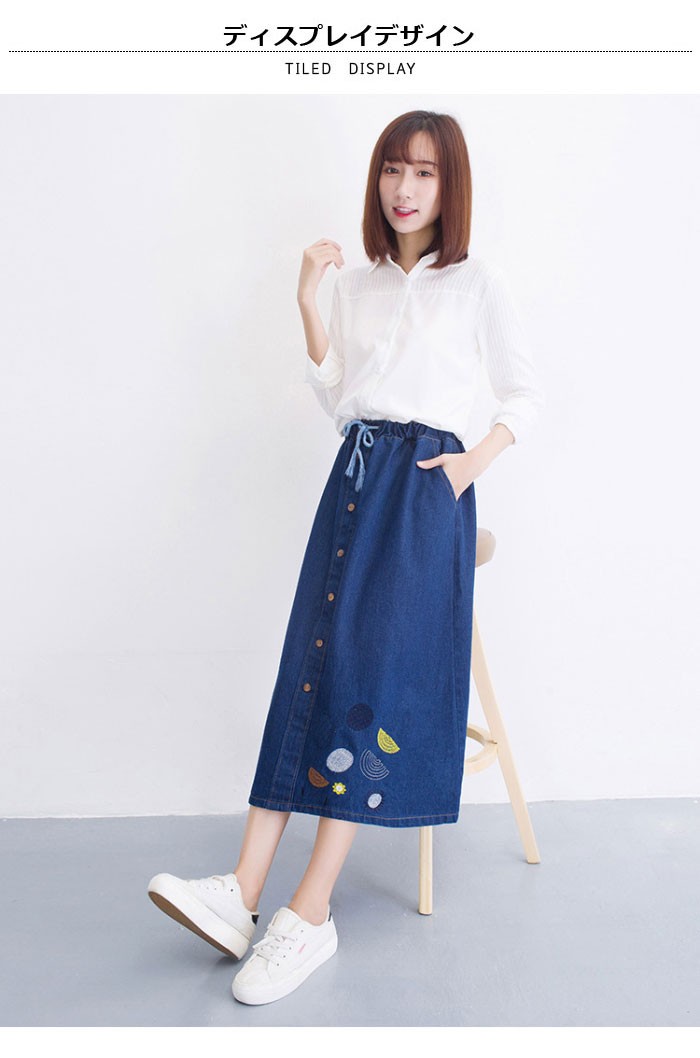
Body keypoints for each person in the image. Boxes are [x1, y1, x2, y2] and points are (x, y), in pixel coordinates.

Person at [147, 109, 545, 1007]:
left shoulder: (477, 283)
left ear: (450, 185)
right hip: (356, 477)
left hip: (424, 490)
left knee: (366, 681)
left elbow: (527, 393)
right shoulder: (357, 285)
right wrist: (307, 302)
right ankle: (241, 890)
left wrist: (467, 468)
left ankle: (311, 909)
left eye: (425, 173)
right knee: (310, 666)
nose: (405, 189)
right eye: (393, 170)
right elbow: (342, 401)